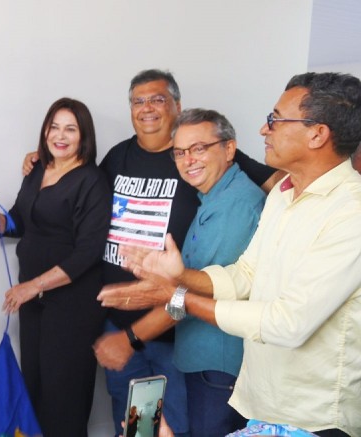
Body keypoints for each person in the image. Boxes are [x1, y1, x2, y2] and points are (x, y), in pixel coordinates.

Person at [99, 72, 361, 435]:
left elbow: (288, 323)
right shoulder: (284, 195)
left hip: (312, 417)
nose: (264, 129)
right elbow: (245, 275)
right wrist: (179, 277)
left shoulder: (351, 211)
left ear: (317, 133)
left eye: (275, 119)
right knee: (144, 427)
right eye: (180, 152)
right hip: (262, 399)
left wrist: (176, 299)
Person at [24, 70, 279, 436]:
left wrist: (298, 199)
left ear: (178, 105)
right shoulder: (118, 157)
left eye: (157, 99)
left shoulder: (217, 173)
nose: (147, 109)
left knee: (176, 424)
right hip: (121, 319)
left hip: (176, 331)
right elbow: (77, 194)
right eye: (137, 101)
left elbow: (275, 182)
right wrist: (43, 159)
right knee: (140, 427)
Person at [0, 97, 111, 436]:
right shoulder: (37, 169)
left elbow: (88, 252)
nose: (60, 136)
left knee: (64, 397)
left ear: (84, 136)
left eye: (70, 128)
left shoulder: (92, 181)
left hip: (72, 306)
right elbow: (20, 223)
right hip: (35, 305)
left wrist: (33, 286)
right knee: (34, 388)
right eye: (54, 127)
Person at [167, 108, 264, 436]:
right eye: (180, 152)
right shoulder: (213, 197)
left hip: (219, 364)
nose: (188, 159)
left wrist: (132, 335)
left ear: (229, 149)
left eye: (199, 148)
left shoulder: (235, 204)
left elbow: (203, 288)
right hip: (203, 358)